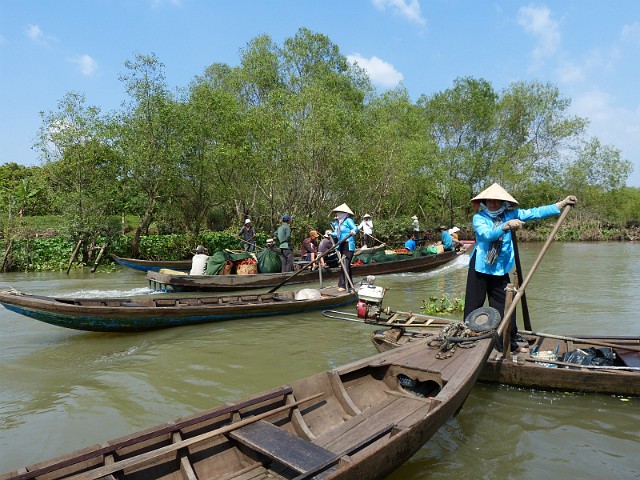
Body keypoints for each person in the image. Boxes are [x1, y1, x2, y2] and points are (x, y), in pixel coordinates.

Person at [463, 183, 577, 353]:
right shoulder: (479, 218)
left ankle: (506, 342)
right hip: (480, 267)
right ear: (484, 202)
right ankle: (469, 338)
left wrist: (560, 204)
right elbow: (486, 235)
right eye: (490, 201)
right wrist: (505, 226)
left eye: (497, 201)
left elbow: (534, 212)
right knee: (474, 304)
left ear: (503, 203)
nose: (493, 204)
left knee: (506, 306)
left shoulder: (512, 214)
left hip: (500, 269)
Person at [330, 203, 358, 292]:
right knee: (345, 265)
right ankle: (349, 284)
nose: (338, 214)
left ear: (345, 213)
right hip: (341, 244)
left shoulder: (348, 220)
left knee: (345, 263)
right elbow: (336, 233)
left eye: (340, 212)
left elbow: (355, 228)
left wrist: (353, 231)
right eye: (338, 212)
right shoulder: (338, 223)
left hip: (348, 244)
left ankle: (343, 285)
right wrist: (329, 234)